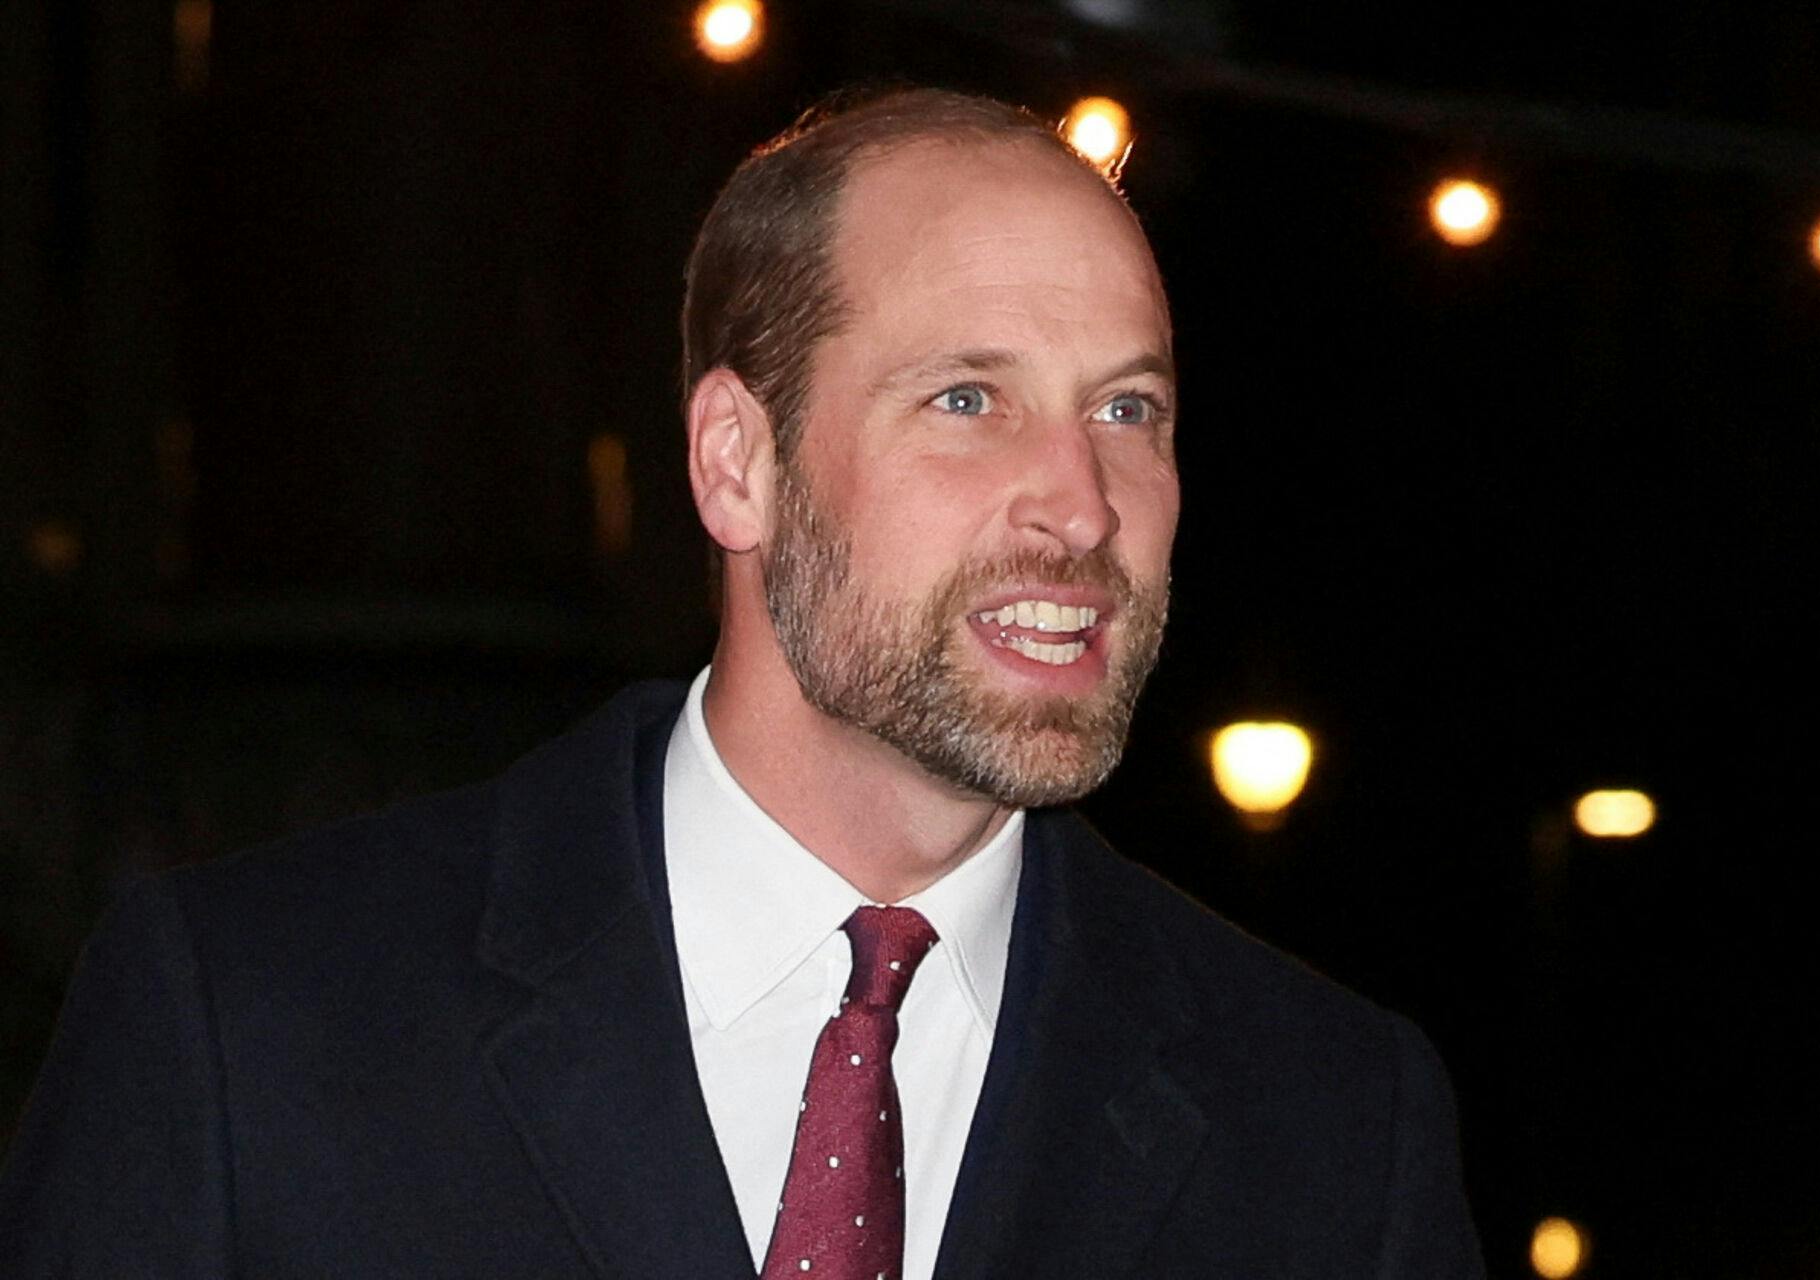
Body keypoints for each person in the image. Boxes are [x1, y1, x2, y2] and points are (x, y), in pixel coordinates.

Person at [0, 87, 1485, 1278]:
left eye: (1128, 407)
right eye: (968, 400)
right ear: (738, 463)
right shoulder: (254, 1025)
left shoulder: (1334, 1130)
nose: (1083, 505)